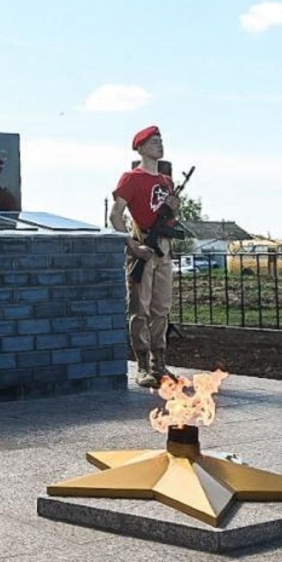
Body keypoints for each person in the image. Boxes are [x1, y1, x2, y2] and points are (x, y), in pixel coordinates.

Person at [110, 125, 179, 389]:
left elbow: (169, 219)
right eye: (153, 141)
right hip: (142, 245)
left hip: (163, 248)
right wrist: (131, 245)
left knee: (162, 308)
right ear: (140, 148)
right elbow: (115, 215)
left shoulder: (166, 181)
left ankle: (159, 363)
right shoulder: (131, 178)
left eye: (161, 140)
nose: (160, 145)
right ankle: (142, 366)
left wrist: (172, 211)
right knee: (140, 308)